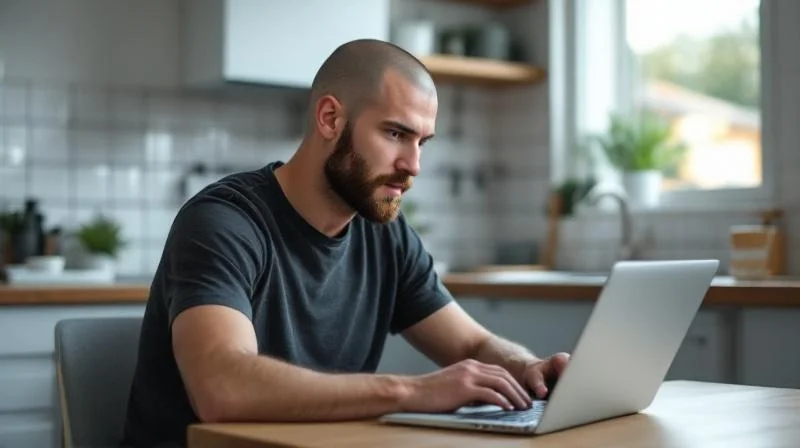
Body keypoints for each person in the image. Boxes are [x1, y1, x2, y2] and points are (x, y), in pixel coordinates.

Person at [121, 39, 570, 448]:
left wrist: (528, 369)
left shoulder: (385, 233)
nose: (413, 165)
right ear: (330, 118)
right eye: (395, 134)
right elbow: (221, 387)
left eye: (422, 142)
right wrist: (413, 392)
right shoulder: (224, 222)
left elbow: (472, 346)